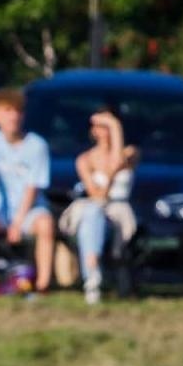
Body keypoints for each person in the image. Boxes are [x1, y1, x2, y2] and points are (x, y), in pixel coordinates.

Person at [0, 89, 54, 297]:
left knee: (46, 224)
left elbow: (32, 188)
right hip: (0, 209)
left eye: (17, 111)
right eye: (7, 110)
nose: (13, 116)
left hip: (29, 209)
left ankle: (43, 285)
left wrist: (17, 223)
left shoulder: (37, 145)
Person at [59, 105, 137, 305]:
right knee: (93, 213)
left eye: (108, 126)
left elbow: (116, 162)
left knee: (95, 214)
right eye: (101, 126)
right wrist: (111, 176)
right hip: (95, 211)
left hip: (119, 211)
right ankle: (93, 276)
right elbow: (97, 195)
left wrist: (114, 125)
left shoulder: (130, 153)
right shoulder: (84, 159)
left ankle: (92, 278)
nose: (105, 130)